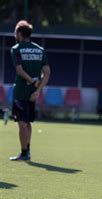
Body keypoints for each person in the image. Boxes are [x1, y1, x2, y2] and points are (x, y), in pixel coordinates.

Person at [9, 20, 50, 161]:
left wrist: (32, 81)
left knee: (21, 122)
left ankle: (24, 153)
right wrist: (38, 90)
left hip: (20, 91)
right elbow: (47, 72)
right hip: (33, 93)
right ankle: (28, 151)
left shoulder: (16, 48)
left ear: (19, 33)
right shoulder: (40, 49)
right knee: (28, 122)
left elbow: (19, 71)